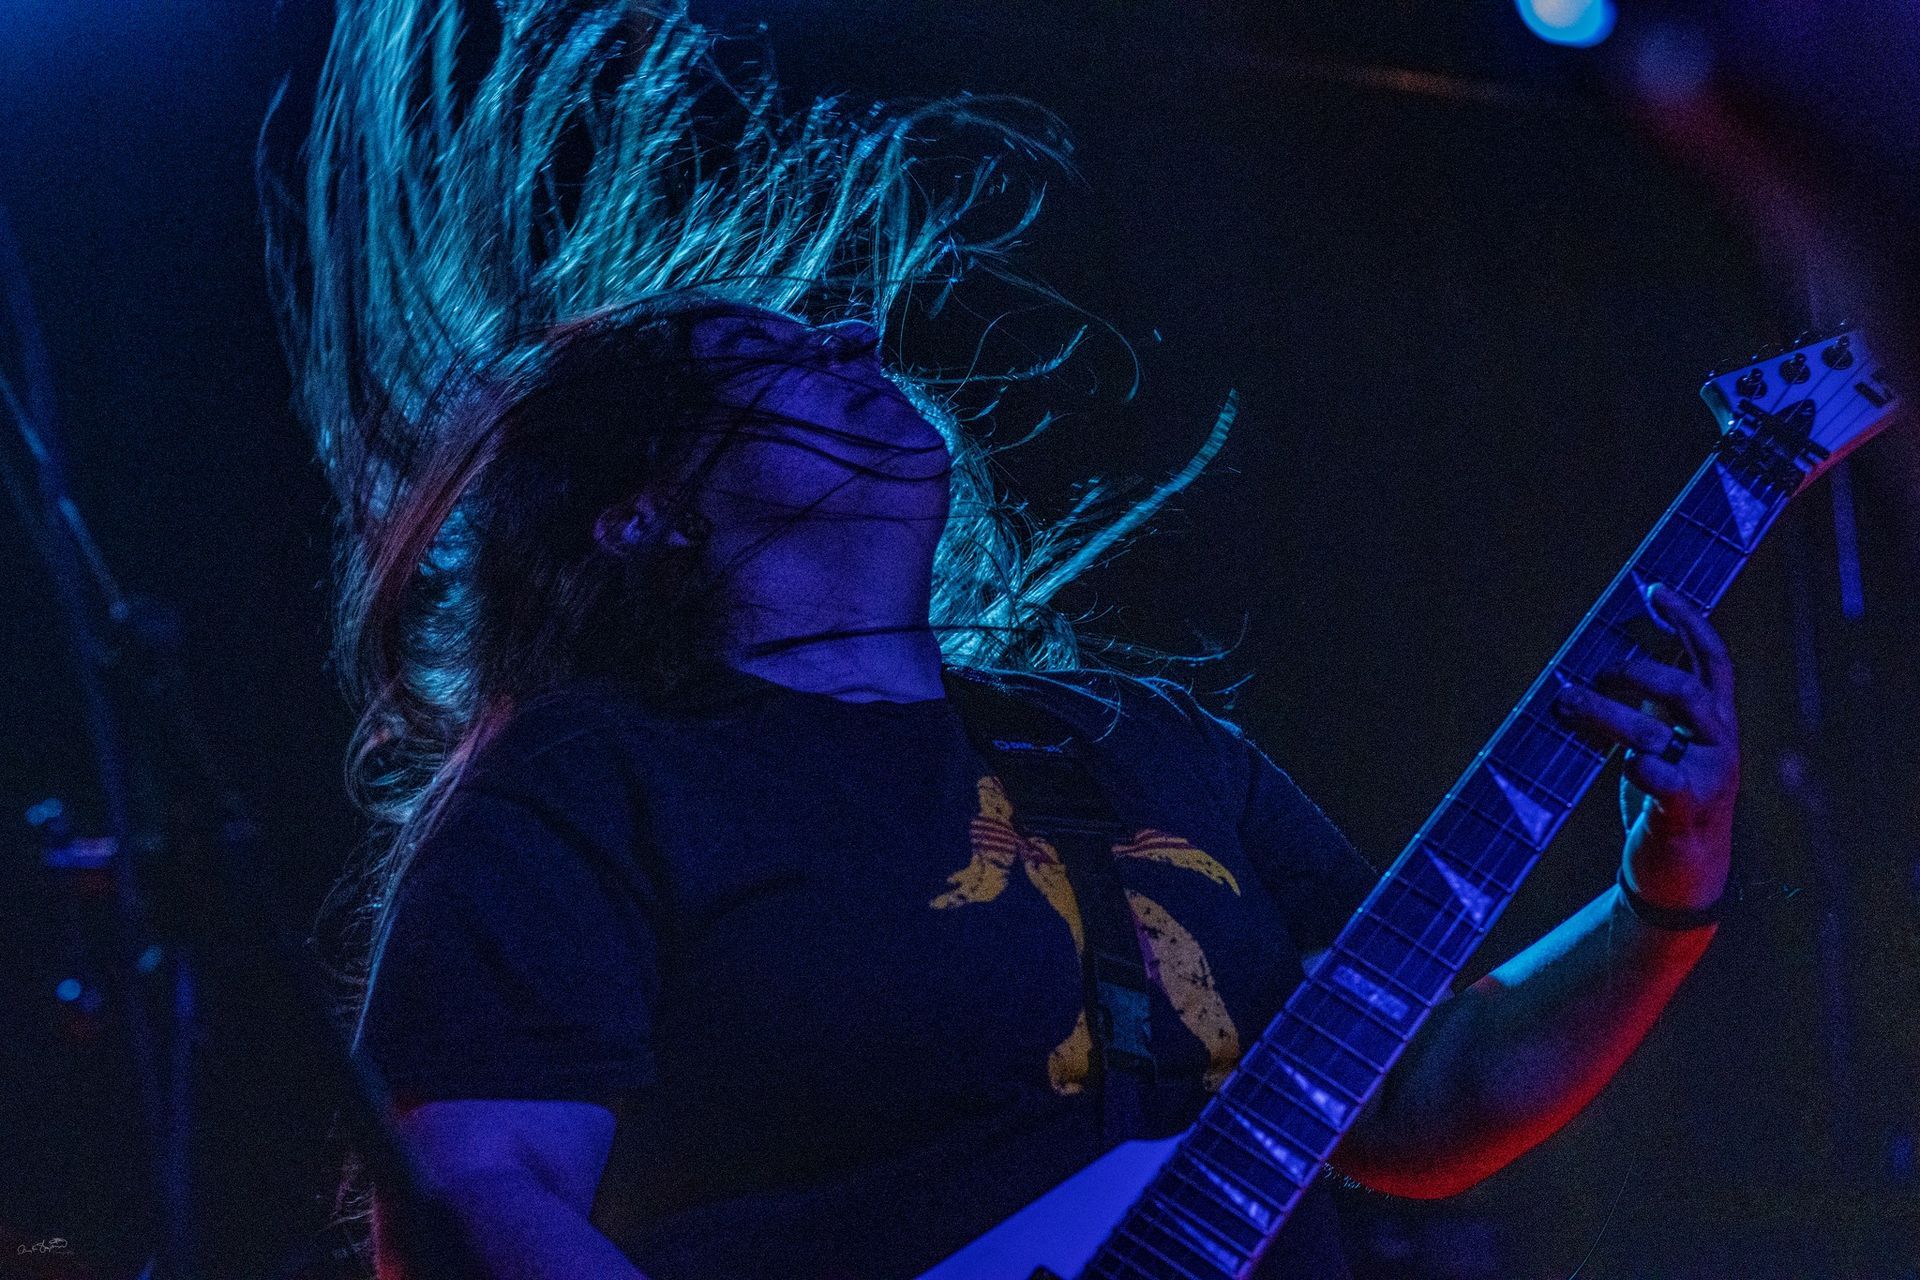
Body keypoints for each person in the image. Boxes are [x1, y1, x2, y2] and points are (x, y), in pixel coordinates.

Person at [266, 4, 1741, 1277]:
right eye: (770, 361)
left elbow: (1421, 1096)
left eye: (836, 336)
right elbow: (473, 1192)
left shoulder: (1143, 746)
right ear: (643, 515)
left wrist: (1661, 889)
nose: (853, 348)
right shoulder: (594, 782)